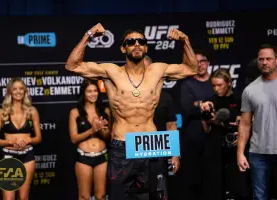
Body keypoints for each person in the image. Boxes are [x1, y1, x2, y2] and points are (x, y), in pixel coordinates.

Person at [65, 23, 197, 200]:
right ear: (122, 48)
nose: (136, 45)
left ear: (146, 47)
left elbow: (192, 68)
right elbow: (72, 66)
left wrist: (185, 40)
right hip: (123, 145)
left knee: (154, 196)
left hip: (151, 144)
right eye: (131, 42)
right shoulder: (111, 72)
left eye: (141, 41)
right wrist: (89, 34)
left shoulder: (158, 70)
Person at [237, 44, 277, 200]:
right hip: (258, 153)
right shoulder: (250, 90)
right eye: (261, 59)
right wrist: (240, 153)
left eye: (268, 59)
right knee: (259, 197)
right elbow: (244, 124)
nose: (264, 62)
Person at [200, 69, 249, 200]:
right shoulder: (209, 102)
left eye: (219, 85)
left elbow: (246, 123)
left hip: (235, 149)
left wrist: (239, 134)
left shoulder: (240, 99)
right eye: (213, 85)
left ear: (229, 83)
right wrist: (206, 119)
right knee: (214, 189)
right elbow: (206, 130)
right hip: (214, 148)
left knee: (237, 188)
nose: (216, 89)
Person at [0, 77, 42, 200]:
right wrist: (10, 142)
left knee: (24, 197)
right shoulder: (2, 113)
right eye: (14, 89)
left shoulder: (32, 111)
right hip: (9, 157)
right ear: (10, 92)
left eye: (21, 89)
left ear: (25, 91)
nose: (18, 92)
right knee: (8, 198)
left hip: (27, 157)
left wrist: (29, 140)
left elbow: (38, 138)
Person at [178, 49, 214, 200]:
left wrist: (197, 104)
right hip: (192, 137)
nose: (200, 65)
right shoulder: (187, 84)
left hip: (213, 136)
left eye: (203, 61)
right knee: (193, 178)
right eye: (196, 62)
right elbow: (186, 108)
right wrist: (202, 104)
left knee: (212, 177)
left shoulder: (215, 81)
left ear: (208, 63)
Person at [69, 79, 111, 200]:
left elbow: (109, 137)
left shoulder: (105, 111)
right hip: (83, 157)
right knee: (84, 196)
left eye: (95, 91)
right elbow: (74, 138)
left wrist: (101, 129)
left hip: (102, 157)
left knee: (101, 195)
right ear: (83, 93)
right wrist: (92, 130)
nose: (93, 94)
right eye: (89, 91)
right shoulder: (75, 112)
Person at [144, 55, 179, 200]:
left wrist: (175, 154)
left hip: (158, 152)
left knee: (160, 194)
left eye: (146, 70)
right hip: (134, 155)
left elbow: (171, 125)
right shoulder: (126, 96)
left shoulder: (165, 98)